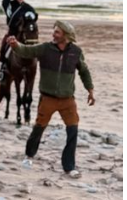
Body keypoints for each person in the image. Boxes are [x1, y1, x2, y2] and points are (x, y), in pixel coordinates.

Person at [7, 20, 95, 178]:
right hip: (48, 99)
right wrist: (15, 45)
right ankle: (29, 156)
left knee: (73, 130)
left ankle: (69, 166)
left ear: (66, 36)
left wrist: (90, 90)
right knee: (38, 128)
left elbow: (84, 71)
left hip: (68, 100)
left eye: (57, 32)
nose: (53, 34)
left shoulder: (76, 52)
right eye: (54, 31)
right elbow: (26, 51)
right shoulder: (45, 49)